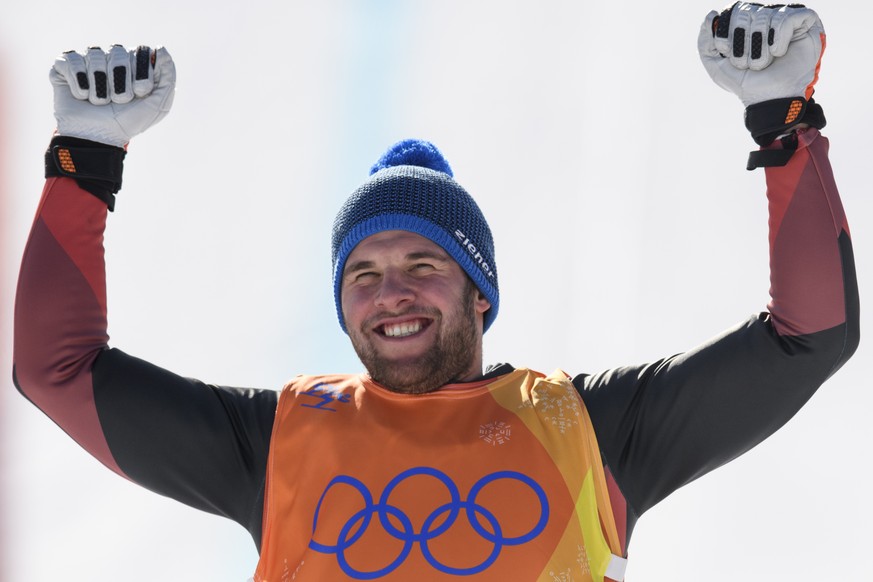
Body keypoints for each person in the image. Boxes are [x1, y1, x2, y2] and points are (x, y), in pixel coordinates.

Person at [12, 3, 858, 581]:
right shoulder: (275, 442)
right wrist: (83, 160)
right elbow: (56, 371)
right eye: (363, 274)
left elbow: (810, 335)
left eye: (424, 266)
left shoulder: (592, 428)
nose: (392, 293)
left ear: (480, 292)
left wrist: (784, 124)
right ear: (341, 304)